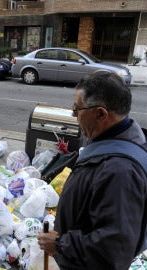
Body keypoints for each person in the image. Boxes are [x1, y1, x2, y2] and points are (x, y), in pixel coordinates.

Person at [37, 72, 147, 269]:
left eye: (77, 109)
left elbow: (113, 250)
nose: (73, 114)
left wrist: (60, 245)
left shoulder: (119, 171)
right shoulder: (115, 138)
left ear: (101, 114)